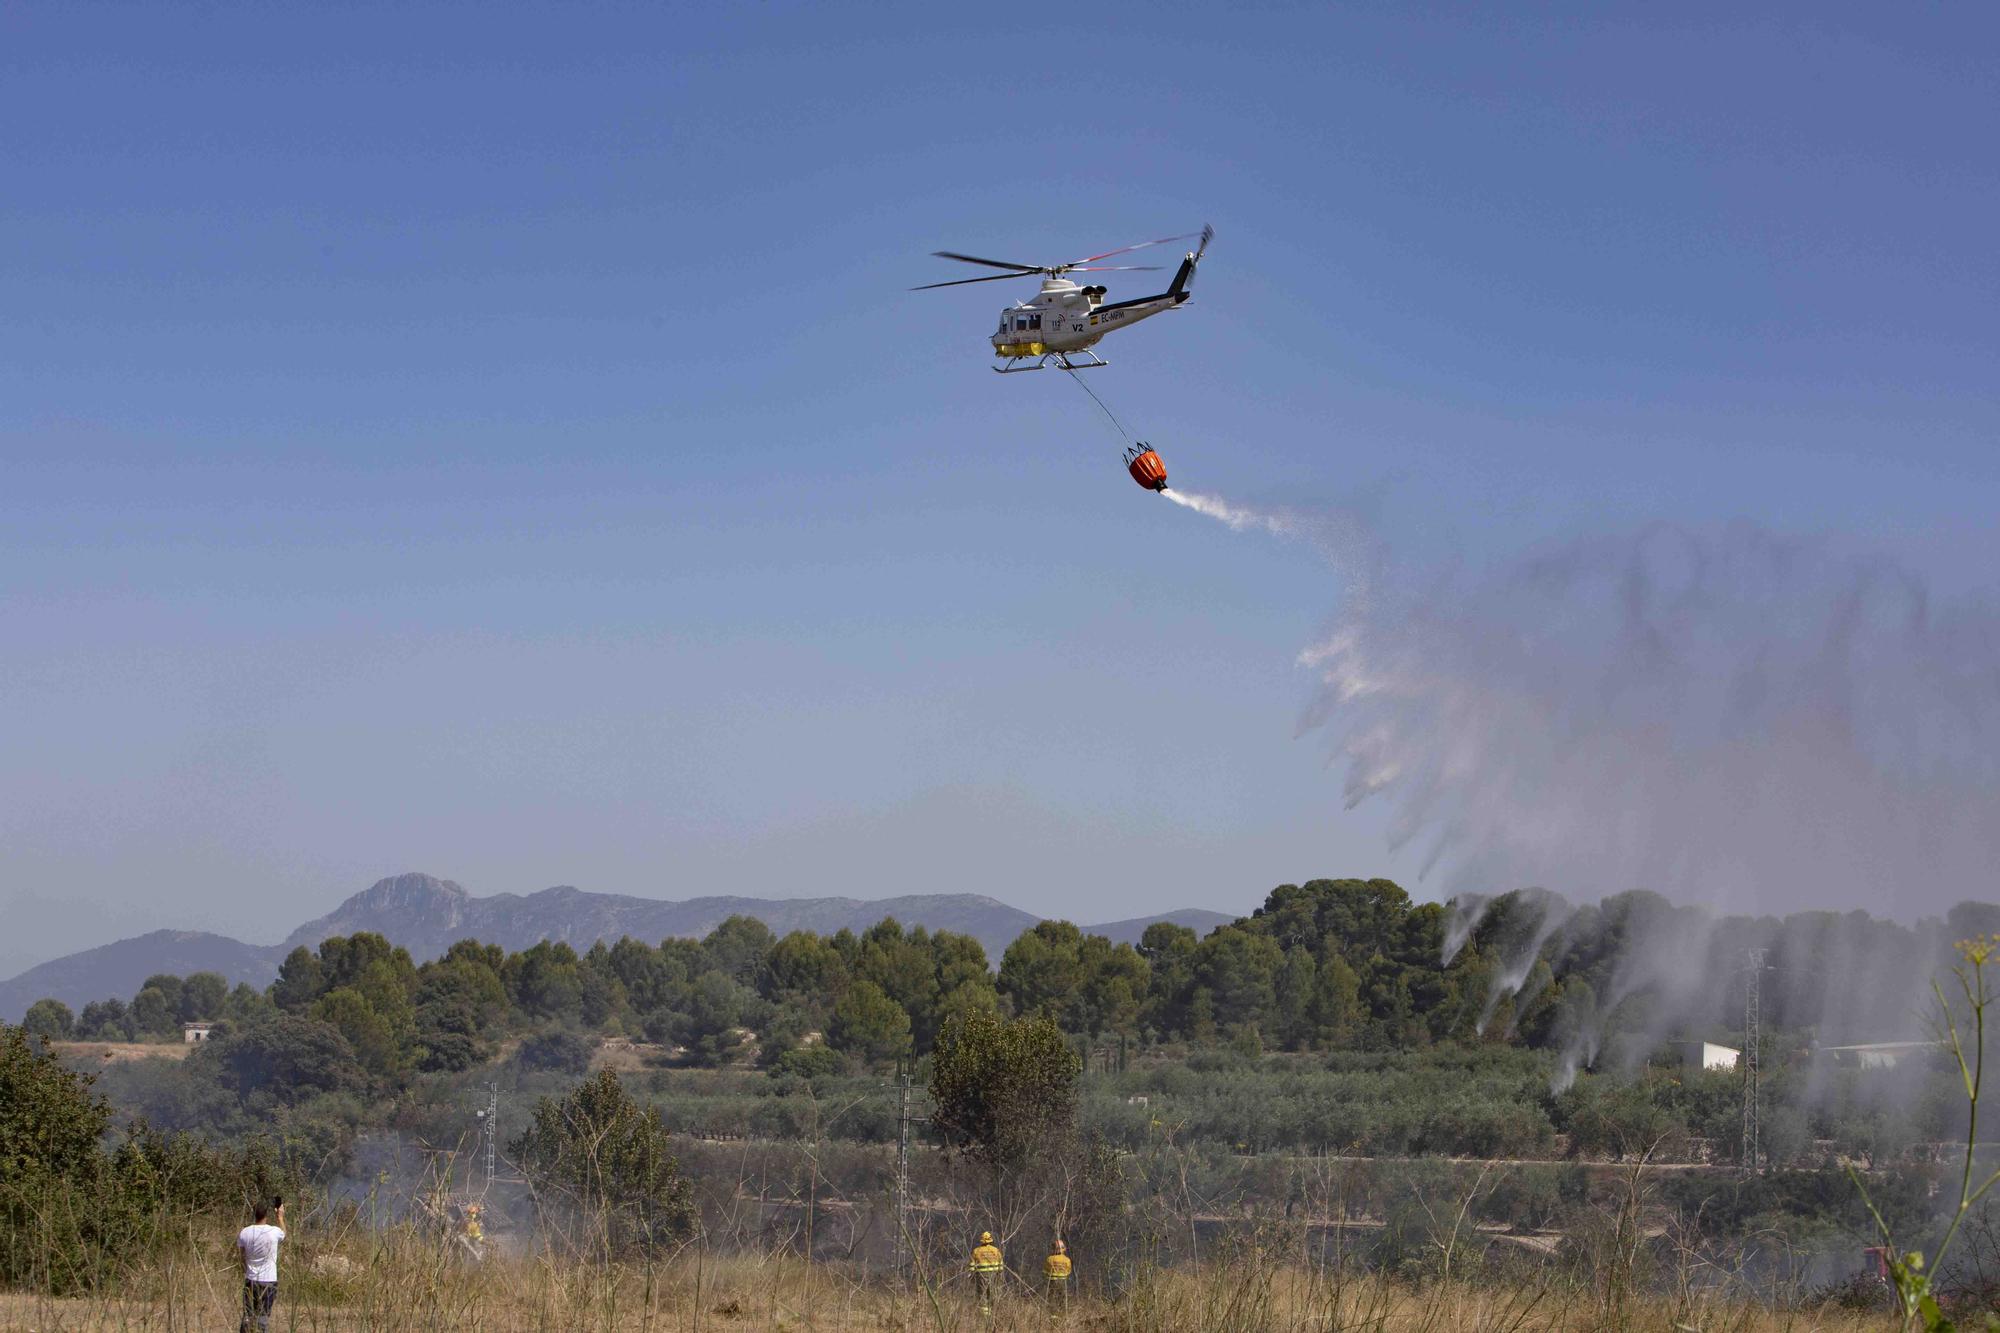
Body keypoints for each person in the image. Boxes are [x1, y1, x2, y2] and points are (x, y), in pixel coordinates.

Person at [236, 1197, 285, 1333]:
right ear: (266, 1215)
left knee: (248, 1315)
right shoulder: (273, 1232)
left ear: (254, 1214)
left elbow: (242, 1256)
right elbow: (284, 1234)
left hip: (251, 1279)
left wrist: (245, 1270)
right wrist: (280, 1217)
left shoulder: (244, 1232)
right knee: (263, 1317)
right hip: (269, 1281)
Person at [968, 1229, 1004, 1315]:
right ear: (991, 1240)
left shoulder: (976, 1251)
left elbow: (972, 1266)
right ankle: (993, 1313)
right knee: (992, 1294)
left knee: (982, 1295)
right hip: (994, 1276)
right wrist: (999, 1276)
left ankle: (985, 1315)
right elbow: (1001, 1266)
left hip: (981, 1276)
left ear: (981, 1240)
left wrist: (971, 1276)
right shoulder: (996, 1251)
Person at [1044, 1237, 1072, 1313]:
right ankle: (1062, 1314)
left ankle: (1052, 1314)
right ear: (1063, 1249)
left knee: (1051, 1298)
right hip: (1062, 1282)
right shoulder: (1067, 1260)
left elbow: (1045, 1271)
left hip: (1052, 1281)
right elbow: (1068, 1271)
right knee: (1062, 1299)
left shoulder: (1049, 1259)